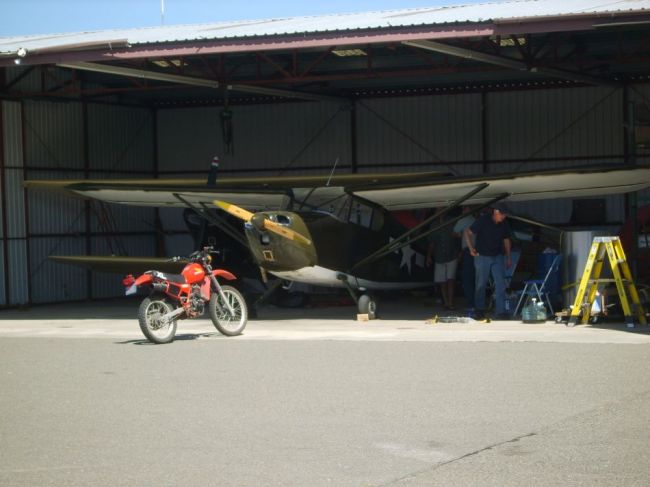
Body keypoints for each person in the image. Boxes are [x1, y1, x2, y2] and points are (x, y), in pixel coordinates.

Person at [463, 203, 512, 319]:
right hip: (482, 256)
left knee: (501, 284)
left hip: (498, 256)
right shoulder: (483, 220)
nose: (504, 217)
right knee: (481, 284)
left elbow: (506, 240)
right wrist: (471, 248)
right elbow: (467, 232)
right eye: (502, 214)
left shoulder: (504, 223)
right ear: (496, 212)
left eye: (505, 215)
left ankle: (501, 311)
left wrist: (508, 257)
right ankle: (479, 310)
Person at [427, 211, 461, 310]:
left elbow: (459, 237)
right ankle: (446, 302)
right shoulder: (433, 224)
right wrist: (429, 256)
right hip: (439, 256)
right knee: (442, 281)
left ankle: (450, 303)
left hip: (452, 254)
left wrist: (460, 253)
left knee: (451, 279)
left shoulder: (452, 221)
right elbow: (431, 242)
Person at [453, 205, 476, 311]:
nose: (462, 210)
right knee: (476, 278)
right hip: (478, 251)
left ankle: (471, 303)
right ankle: (476, 302)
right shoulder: (476, 220)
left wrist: (461, 234)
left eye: (464, 208)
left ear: (468, 209)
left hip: (468, 251)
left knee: (467, 278)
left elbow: (454, 233)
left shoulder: (463, 220)